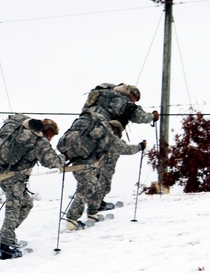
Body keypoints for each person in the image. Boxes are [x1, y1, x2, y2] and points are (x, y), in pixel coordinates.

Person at [0, 117, 65, 259]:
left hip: (5, 176)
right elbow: (52, 162)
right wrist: (63, 157)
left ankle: (7, 234)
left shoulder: (19, 135)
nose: (50, 137)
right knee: (14, 208)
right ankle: (5, 247)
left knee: (26, 204)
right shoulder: (38, 141)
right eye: (51, 133)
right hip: (15, 180)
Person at [60, 114, 146, 231]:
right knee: (87, 188)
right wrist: (140, 146)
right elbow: (127, 149)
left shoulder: (94, 135)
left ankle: (92, 214)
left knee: (97, 186)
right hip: (85, 167)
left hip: (81, 164)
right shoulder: (108, 137)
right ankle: (71, 221)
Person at [85, 83, 158, 211]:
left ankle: (87, 197)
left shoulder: (103, 96)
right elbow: (140, 117)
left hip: (88, 135)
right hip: (108, 138)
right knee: (106, 172)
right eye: (136, 98)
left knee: (91, 169)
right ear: (133, 95)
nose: (135, 101)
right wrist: (153, 116)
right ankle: (96, 204)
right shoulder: (126, 103)